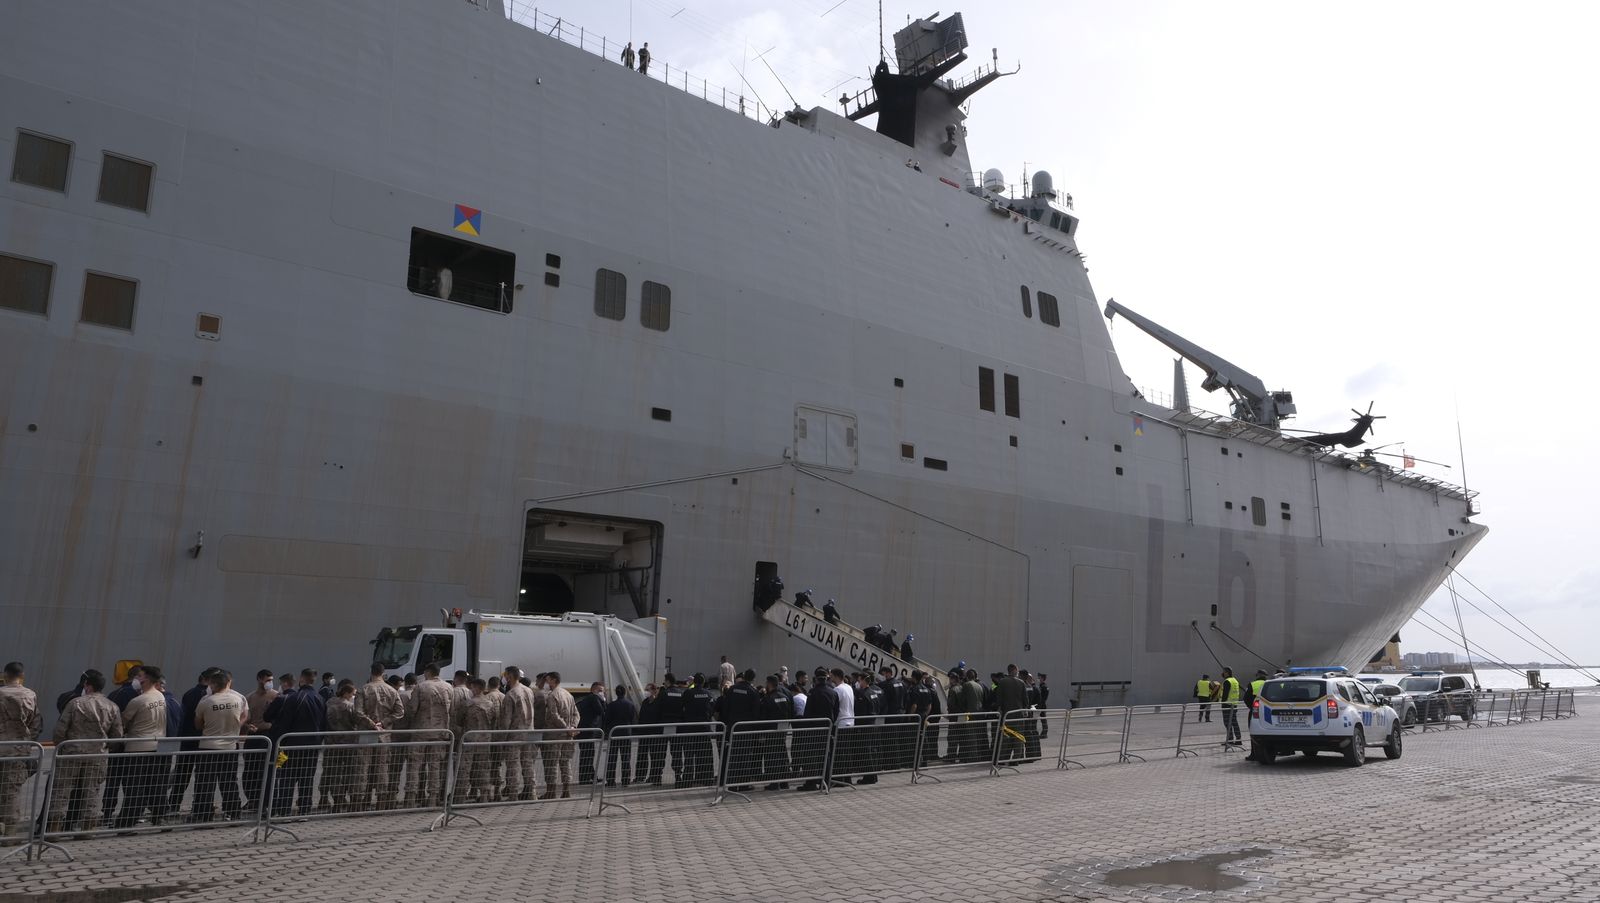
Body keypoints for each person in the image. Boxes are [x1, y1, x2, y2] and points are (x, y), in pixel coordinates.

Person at [49, 669, 122, 835]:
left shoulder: (75, 703)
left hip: (72, 754)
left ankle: (54, 830)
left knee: (61, 792)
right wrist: (105, 747)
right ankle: (88, 829)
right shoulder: (112, 706)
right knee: (92, 792)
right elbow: (117, 734)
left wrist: (61, 746)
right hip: (97, 756)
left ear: (87, 686)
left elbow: (60, 730)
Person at [115, 665, 170, 830]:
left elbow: (122, 722)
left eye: (140, 676)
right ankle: (160, 817)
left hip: (137, 747)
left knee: (134, 788)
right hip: (157, 746)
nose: (137, 679)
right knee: (156, 785)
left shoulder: (138, 701)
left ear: (146, 679)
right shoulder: (160, 696)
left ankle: (126, 823)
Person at [191, 669, 247, 822]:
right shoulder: (238, 699)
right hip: (230, 747)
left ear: (213, 684)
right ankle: (233, 813)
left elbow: (198, 724)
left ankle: (203, 815)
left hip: (208, 747)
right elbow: (244, 716)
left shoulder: (206, 701)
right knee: (229, 781)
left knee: (205, 782)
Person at [167, 668, 217, 817]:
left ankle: (174, 805)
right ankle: (200, 806)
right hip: (203, 740)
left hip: (187, 740)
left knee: (182, 775)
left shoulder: (189, 693)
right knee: (203, 777)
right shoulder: (208, 696)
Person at [1, 661, 43, 841]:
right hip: (18, 751)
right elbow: (36, 723)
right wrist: (26, 743)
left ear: (4, 675)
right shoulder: (30, 695)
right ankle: (10, 833)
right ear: (22, 676)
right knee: (12, 791)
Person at [353, 663, 404, 810]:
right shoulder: (391, 690)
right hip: (384, 734)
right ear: (383, 672)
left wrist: (371, 724)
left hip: (367, 734)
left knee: (363, 767)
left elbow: (358, 712)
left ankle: (358, 802)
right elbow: (400, 712)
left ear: (371, 672)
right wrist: (384, 722)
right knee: (382, 767)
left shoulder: (364, 689)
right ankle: (381, 802)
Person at [405, 664, 453, 807]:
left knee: (415, 765)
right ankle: (433, 797)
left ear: (427, 672)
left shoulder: (421, 687)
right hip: (440, 733)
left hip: (421, 732)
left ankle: (411, 798)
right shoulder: (448, 687)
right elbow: (452, 710)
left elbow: (412, 709)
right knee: (435, 766)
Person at [500, 666, 539, 800]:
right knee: (528, 763)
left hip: (515, 734)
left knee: (513, 765)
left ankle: (513, 794)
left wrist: (502, 738)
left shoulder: (511, 694)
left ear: (510, 676)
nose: (504, 678)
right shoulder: (529, 690)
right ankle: (532, 792)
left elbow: (506, 720)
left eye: (505, 675)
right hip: (529, 732)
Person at [718, 670, 761, 791]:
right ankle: (743, 784)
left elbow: (726, 708)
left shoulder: (732, 689)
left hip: (733, 727)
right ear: (753, 679)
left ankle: (731, 784)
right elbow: (756, 713)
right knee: (745, 756)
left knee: (733, 756)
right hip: (746, 729)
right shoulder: (753, 692)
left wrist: (728, 722)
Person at [539, 672, 579, 799]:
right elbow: (576, 714)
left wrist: (566, 727)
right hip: (567, 736)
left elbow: (553, 715)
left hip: (554, 735)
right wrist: (572, 727)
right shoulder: (568, 694)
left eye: (548, 680)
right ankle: (566, 790)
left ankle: (551, 791)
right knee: (565, 762)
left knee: (551, 763)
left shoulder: (552, 695)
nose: (546, 683)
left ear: (554, 680)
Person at [793, 667, 833, 791]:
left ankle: (811, 783)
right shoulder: (833, 692)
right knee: (825, 755)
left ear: (816, 679)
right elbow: (836, 710)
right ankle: (826, 781)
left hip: (814, 728)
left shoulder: (812, 692)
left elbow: (808, 712)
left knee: (810, 756)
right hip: (827, 727)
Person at [460, 678, 497, 802]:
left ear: (477, 688)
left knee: (465, 768)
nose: (471, 690)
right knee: (483, 767)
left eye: (472, 687)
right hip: (485, 740)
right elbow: (494, 721)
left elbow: (459, 720)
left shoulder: (467, 704)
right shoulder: (490, 704)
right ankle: (484, 795)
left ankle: (460, 796)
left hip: (469, 740)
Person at [756, 676, 793, 790]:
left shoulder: (768, 699)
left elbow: (763, 717)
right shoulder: (785, 697)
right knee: (782, 754)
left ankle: (774, 783)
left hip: (771, 731)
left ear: (769, 684)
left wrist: (761, 733)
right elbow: (790, 712)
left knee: (771, 757)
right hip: (783, 730)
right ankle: (784, 782)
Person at [602, 686, 636, 787]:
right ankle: (625, 780)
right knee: (626, 757)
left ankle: (610, 781)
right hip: (626, 733)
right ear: (625, 693)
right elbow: (632, 718)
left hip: (614, 733)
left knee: (612, 758)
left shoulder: (611, 705)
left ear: (616, 693)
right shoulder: (630, 704)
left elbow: (607, 719)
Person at [576, 682, 606, 786]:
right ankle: (584, 778)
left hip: (584, 730)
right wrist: (603, 701)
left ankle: (592, 777)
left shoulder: (587, 698)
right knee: (587, 754)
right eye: (600, 690)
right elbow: (601, 711)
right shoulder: (594, 698)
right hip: (588, 731)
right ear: (594, 690)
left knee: (587, 754)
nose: (602, 693)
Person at [1218, 667, 1242, 746]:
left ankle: (1230, 740)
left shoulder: (1227, 681)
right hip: (1234, 704)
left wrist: (1222, 702)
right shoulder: (1235, 680)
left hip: (1227, 705)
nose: (1222, 673)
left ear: (1227, 673)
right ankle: (1239, 739)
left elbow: (1225, 694)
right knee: (1234, 722)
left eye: (1224, 672)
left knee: (1227, 723)